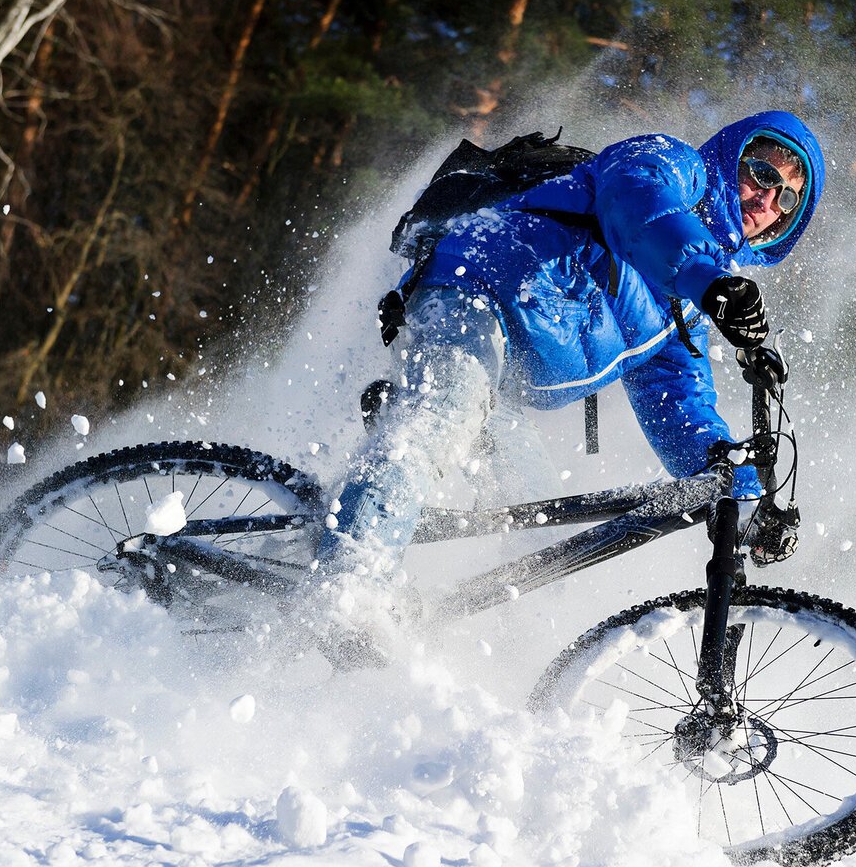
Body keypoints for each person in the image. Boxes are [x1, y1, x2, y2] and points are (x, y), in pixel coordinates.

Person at [311, 110, 825, 663]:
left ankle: (491, 666)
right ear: (732, 157)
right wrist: (711, 281)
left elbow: (681, 406)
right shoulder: (670, 164)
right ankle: (345, 588)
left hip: (503, 391)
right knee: (440, 421)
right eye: (762, 174)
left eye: (788, 199)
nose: (768, 200)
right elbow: (637, 202)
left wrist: (748, 502)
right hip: (473, 289)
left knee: (536, 534)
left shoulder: (681, 312)